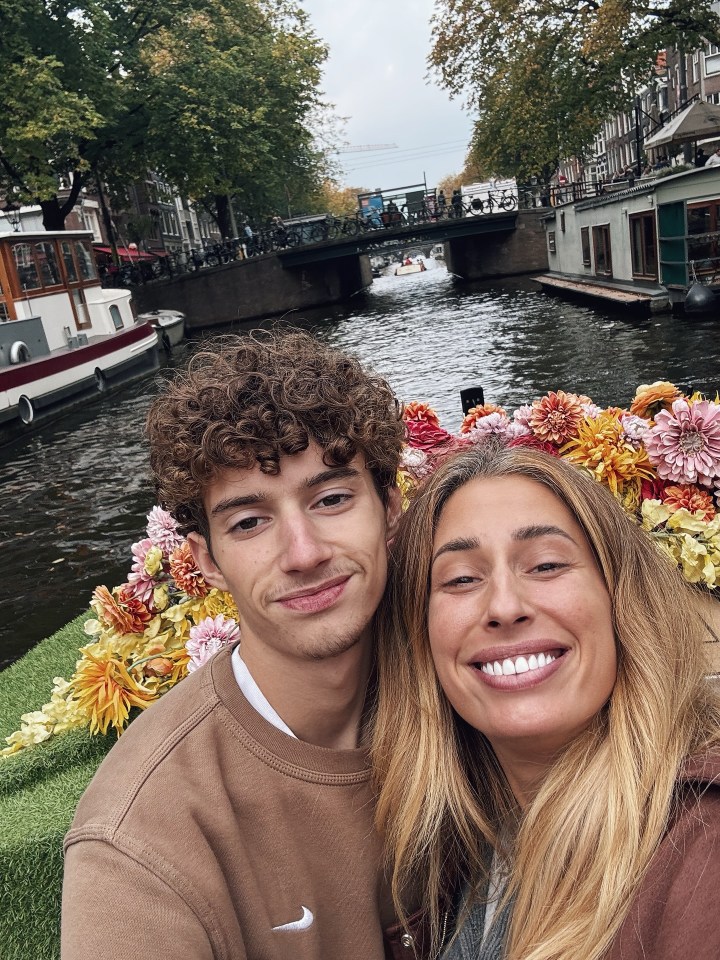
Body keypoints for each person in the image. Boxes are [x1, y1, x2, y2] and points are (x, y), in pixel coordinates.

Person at [61, 330, 421, 960]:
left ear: (389, 509)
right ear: (208, 562)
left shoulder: (467, 684)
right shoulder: (142, 844)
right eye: (250, 522)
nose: (304, 554)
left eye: (332, 498)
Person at [373, 443, 720, 960]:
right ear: (419, 638)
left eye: (546, 565)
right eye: (462, 578)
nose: (505, 606)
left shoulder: (703, 850)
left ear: (621, 600)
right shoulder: (448, 855)